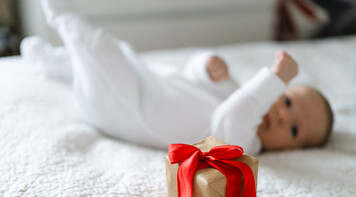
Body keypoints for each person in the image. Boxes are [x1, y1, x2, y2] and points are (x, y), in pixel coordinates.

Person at [22, 0, 333, 155]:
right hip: (143, 85)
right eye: (288, 101)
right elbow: (193, 78)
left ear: (293, 150)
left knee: (102, 52)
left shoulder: (245, 144)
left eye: (294, 128)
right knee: (118, 54)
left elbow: (231, 117)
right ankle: (57, 64)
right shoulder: (240, 93)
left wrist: (277, 78)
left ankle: (62, 17)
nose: (281, 116)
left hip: (127, 110)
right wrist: (207, 67)